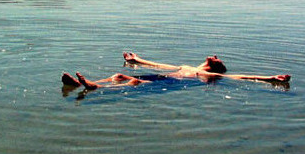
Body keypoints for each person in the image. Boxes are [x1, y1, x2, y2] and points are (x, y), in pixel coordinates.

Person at [61, 51, 291, 91]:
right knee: (118, 76)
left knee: (130, 82)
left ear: (216, 66)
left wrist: (270, 78)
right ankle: (84, 84)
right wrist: (137, 60)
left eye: (218, 59)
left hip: (169, 85)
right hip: (164, 76)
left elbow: (240, 77)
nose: (215, 55)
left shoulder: (208, 75)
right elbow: (159, 66)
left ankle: (93, 87)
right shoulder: (186, 66)